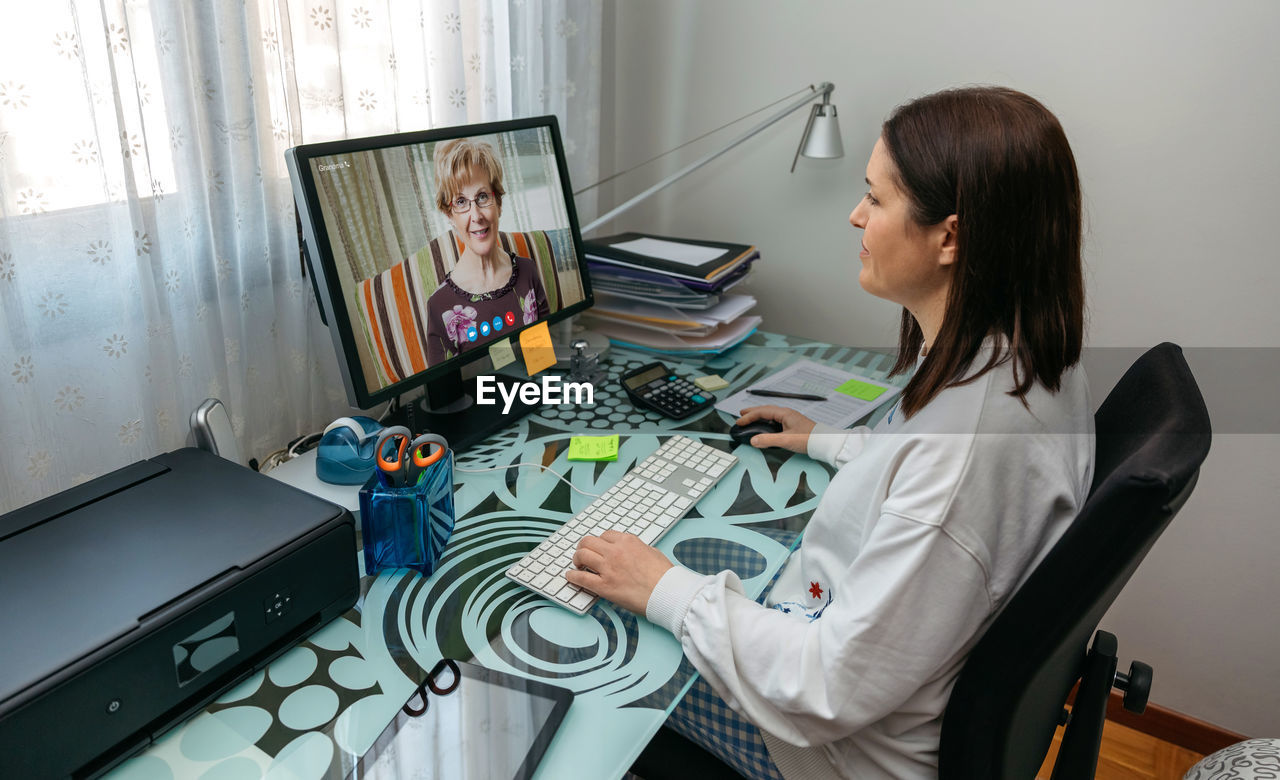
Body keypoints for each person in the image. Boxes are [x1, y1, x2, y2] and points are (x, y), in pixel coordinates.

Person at [565, 86, 1095, 780]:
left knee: (586, 655)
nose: (855, 216)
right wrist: (830, 441)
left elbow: (824, 689)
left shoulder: (963, 454)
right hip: (879, 684)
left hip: (829, 753)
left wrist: (661, 585)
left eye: (875, 199)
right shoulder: (1029, 356)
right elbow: (922, 477)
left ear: (951, 235)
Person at [424, 138, 549, 364]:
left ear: (498, 203)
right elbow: (446, 395)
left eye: (482, 197)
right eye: (461, 202)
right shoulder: (439, 305)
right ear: (449, 215)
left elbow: (542, 365)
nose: (476, 215)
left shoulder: (528, 271)